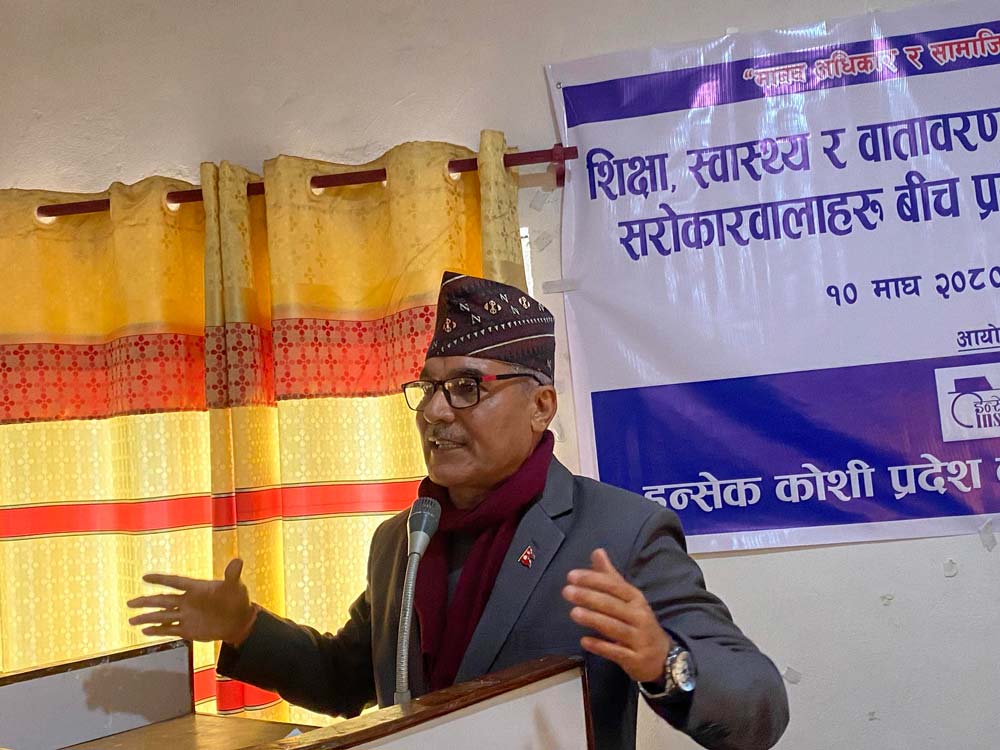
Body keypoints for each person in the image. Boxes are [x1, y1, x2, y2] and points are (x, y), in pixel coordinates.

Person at [128, 271, 789, 750]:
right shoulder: (403, 539)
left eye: (468, 387)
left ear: (540, 406)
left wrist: (664, 660)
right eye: (430, 388)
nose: (437, 412)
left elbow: (760, 708)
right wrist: (245, 627)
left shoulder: (618, 532)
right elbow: (344, 681)